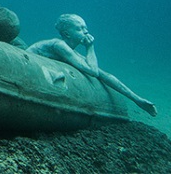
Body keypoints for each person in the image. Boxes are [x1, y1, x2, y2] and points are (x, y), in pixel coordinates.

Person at [27, 14, 157, 116]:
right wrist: (90, 48)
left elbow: (103, 74)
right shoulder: (59, 45)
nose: (85, 32)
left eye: (86, 28)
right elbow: (93, 72)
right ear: (67, 33)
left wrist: (137, 99)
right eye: (79, 29)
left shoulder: (71, 52)